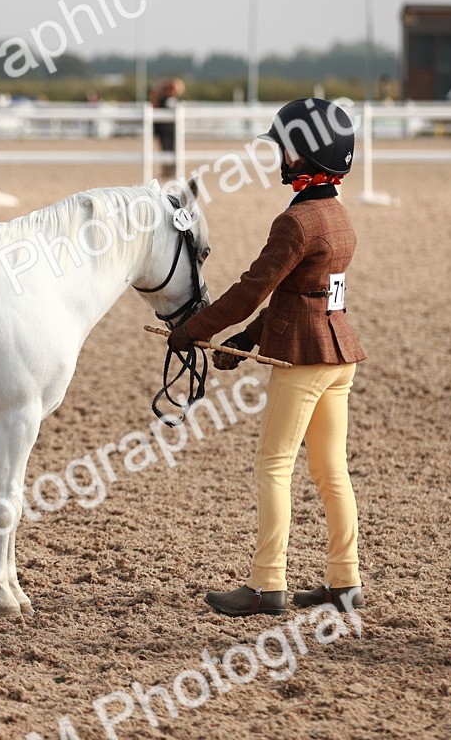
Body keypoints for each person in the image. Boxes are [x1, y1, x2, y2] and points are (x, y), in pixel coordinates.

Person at [167, 97, 366, 617]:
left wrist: (193, 330)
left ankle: (266, 585)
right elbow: (302, 297)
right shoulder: (339, 217)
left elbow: (252, 290)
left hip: (303, 360)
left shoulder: (296, 222)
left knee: (273, 465)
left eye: (286, 150)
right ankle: (345, 581)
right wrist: (248, 340)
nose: (280, 158)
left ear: (307, 155)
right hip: (338, 354)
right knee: (331, 470)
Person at [152, 77, 185, 178]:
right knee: (166, 149)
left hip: (171, 130)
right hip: (165, 130)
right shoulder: (164, 100)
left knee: (173, 149)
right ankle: (167, 171)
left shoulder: (172, 100)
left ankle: (171, 171)